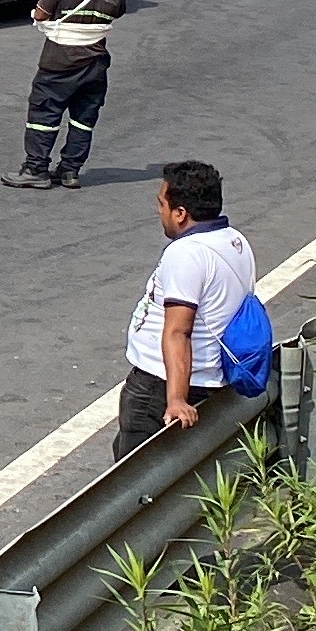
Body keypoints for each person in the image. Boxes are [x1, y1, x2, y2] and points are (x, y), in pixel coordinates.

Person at [118, 160, 258, 458]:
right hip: (211, 380)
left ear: (180, 213)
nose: (159, 211)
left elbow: (178, 331)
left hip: (159, 386)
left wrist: (176, 400)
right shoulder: (235, 241)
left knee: (137, 478)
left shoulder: (186, 254)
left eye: (162, 204)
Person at [3, 0, 125, 191]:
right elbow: (115, 14)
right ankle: (70, 172)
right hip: (95, 66)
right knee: (83, 120)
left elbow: (40, 14)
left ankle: (36, 169)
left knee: (43, 116)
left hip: (59, 64)